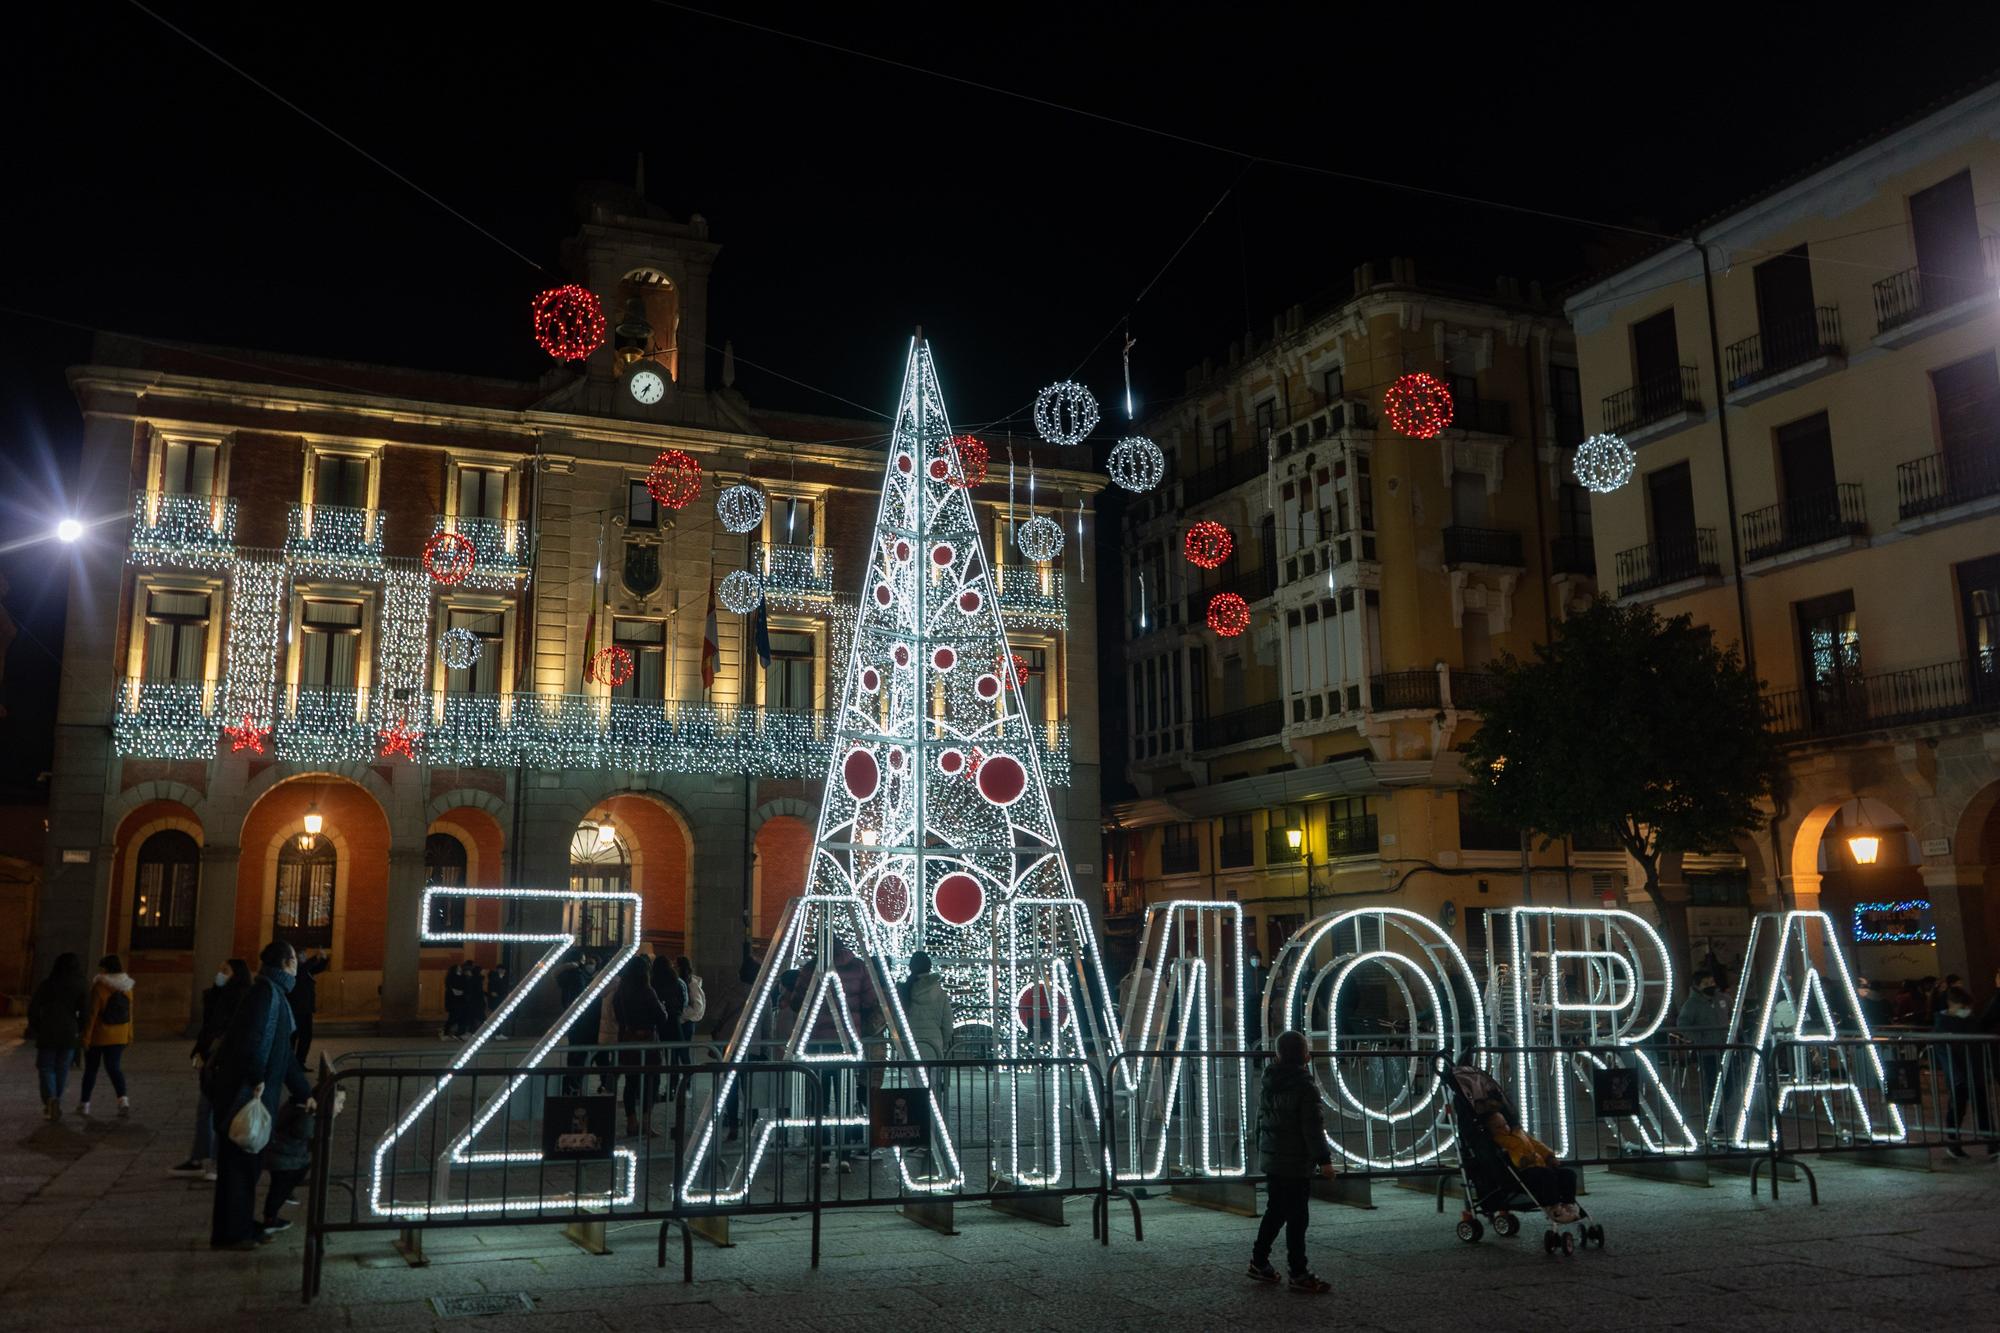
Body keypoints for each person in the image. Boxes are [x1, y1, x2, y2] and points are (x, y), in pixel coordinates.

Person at [208, 940, 314, 1249]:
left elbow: (283, 1056)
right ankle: (231, 1234)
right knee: (239, 1167)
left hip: (251, 1093)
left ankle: (240, 1225)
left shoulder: (273, 994)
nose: (297, 965)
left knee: (248, 1166)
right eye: (294, 959)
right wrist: (256, 1078)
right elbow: (251, 1043)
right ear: (285, 964)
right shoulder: (265, 995)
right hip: (243, 1095)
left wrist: (303, 1090)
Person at [1246, 1030, 1335, 1293]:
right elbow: (1312, 1128)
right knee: (1297, 1218)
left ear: (1278, 1055)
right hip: (1295, 1161)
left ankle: (1259, 1261)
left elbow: (1261, 1119)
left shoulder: (1269, 1081)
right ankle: (1298, 1271)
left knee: (1275, 1211)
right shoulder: (1305, 1087)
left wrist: (1261, 1146)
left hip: (1273, 1157)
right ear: (1306, 1056)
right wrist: (1324, 1160)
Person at [174, 958, 250, 1177]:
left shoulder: (241, 997)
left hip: (225, 1061)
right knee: (204, 1110)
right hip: (210, 1059)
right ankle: (198, 1157)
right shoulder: (217, 995)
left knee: (220, 1111)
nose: (220, 973)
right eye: (220, 969)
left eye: (225, 970)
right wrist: (198, 1051)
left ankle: (217, 1160)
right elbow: (207, 1029)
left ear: (237, 973)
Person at [257, 1087, 342, 1237]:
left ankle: (274, 1211)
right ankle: (270, 1220)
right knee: (279, 1189)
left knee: (280, 1186)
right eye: (340, 1102)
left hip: (282, 1155)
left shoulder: (300, 1107)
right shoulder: (307, 1115)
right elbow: (306, 1134)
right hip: (285, 1159)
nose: (342, 1107)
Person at [1934, 984, 1997, 1163]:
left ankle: (1991, 1144)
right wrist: (1957, 1076)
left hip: (1974, 1072)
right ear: (1952, 1004)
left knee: (1982, 1108)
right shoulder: (1943, 1027)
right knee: (1958, 1109)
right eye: (1963, 1007)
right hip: (1960, 1076)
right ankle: (1954, 1142)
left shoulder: (1968, 1021)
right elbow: (1946, 1055)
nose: (1967, 1010)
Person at [613, 956, 674, 1138]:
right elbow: (661, 1017)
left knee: (631, 1082)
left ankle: (631, 1122)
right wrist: (662, 1009)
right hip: (648, 1041)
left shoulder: (621, 991)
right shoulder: (647, 991)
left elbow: (617, 1014)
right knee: (651, 1082)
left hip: (628, 1039)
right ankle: (646, 1122)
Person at [1485, 1108, 1580, 1219]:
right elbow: (1513, 1156)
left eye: (1505, 1124)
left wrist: (1549, 1156)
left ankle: (1569, 1203)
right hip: (1523, 1172)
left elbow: (1536, 1144)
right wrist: (1524, 1160)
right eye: (1498, 1127)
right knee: (1546, 1175)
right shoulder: (1500, 1140)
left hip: (1539, 1166)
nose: (1504, 1128)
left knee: (1568, 1174)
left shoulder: (1518, 1132)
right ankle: (1553, 1206)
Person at [26, 952, 87, 1122]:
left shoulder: (48, 984)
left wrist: (37, 1027)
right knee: (62, 1069)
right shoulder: (80, 985)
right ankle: (55, 1101)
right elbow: (85, 1013)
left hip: (48, 1030)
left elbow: (33, 1009)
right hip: (69, 1031)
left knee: (46, 1067)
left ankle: (50, 1099)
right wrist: (78, 1028)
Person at [79, 954, 136, 1118]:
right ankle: (123, 1100)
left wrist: (86, 1037)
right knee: (114, 1068)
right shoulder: (127, 987)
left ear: (105, 968)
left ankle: (85, 1104)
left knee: (91, 1069)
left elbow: (93, 1014)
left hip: (99, 1035)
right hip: (119, 1034)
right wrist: (129, 1035)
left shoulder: (100, 986)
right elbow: (130, 1013)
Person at [557, 952, 597, 1093]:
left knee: (573, 1053)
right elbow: (581, 998)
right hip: (581, 1021)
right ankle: (574, 1085)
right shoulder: (577, 976)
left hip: (572, 1019)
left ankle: (569, 1085)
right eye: (584, 960)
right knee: (580, 1055)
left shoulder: (565, 976)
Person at [290, 948, 328, 1068]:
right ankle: (289, 1063)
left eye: (304, 956)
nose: (304, 957)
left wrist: (324, 959)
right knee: (293, 1036)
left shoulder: (306, 969)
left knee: (306, 1036)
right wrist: (315, 958)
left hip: (306, 1008)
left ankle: (300, 1062)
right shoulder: (296, 970)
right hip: (296, 1008)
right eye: (302, 956)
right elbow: (303, 968)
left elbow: (318, 968)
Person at [442, 959, 470, 1040]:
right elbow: (450, 988)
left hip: (461, 1000)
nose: (460, 968)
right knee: (453, 1017)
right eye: (458, 967)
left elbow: (466, 987)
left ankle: (460, 1032)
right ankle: (446, 1032)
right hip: (454, 1000)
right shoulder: (451, 977)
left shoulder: (463, 977)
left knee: (461, 1017)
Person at [485, 962, 514, 1036]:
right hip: (497, 1000)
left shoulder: (504, 978)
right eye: (502, 969)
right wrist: (493, 992)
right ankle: (497, 1033)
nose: (503, 971)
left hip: (501, 999)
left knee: (499, 1017)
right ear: (498, 970)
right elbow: (491, 989)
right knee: (497, 1017)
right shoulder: (494, 978)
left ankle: (498, 1033)